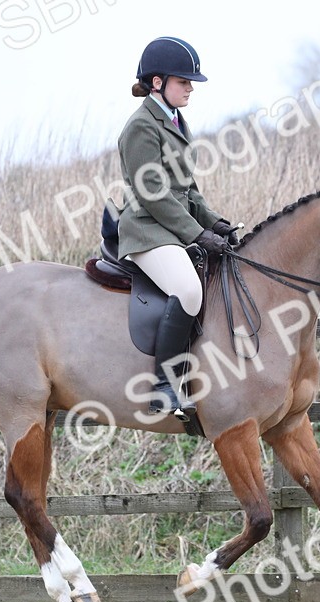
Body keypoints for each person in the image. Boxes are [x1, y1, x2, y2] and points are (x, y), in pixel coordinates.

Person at [117, 36, 238, 420]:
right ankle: (165, 386)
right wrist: (196, 235)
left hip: (171, 229)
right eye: (183, 81)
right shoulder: (141, 126)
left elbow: (188, 192)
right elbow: (152, 193)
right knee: (187, 289)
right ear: (157, 83)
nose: (190, 88)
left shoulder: (174, 120)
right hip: (147, 232)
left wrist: (215, 223)